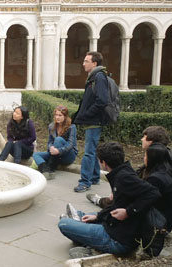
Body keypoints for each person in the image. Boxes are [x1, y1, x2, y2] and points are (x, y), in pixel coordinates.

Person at [58, 142, 160, 258]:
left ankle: (90, 243)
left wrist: (128, 212)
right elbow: (118, 204)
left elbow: (153, 193)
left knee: (64, 224)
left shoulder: (124, 177)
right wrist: (98, 216)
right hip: (115, 226)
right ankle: (81, 222)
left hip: (117, 239)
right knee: (91, 215)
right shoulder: (122, 172)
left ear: (104, 163)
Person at [86, 126, 172, 214]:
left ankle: (100, 202)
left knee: (126, 202)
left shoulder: (160, 159)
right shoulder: (163, 153)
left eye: (144, 137)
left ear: (151, 142)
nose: (141, 139)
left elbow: (149, 191)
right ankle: (103, 201)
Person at [72, 51, 110, 193]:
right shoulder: (93, 77)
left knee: (88, 152)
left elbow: (102, 101)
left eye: (86, 61)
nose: (83, 63)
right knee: (92, 150)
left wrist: (87, 114)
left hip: (94, 121)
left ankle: (85, 182)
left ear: (94, 63)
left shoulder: (99, 77)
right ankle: (94, 177)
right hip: (91, 120)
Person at [141, 143, 172, 232]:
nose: (143, 158)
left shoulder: (155, 179)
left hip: (161, 222)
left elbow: (144, 201)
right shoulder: (171, 171)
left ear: (152, 159)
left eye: (145, 156)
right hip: (171, 219)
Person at [33, 105, 77, 179]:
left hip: (68, 155)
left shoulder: (72, 127)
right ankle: (45, 170)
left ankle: (51, 167)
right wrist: (51, 147)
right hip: (55, 155)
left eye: (60, 115)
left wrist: (58, 151)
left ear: (65, 116)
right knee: (36, 155)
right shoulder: (51, 126)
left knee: (58, 139)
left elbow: (71, 144)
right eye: (56, 115)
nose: (57, 117)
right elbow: (49, 142)